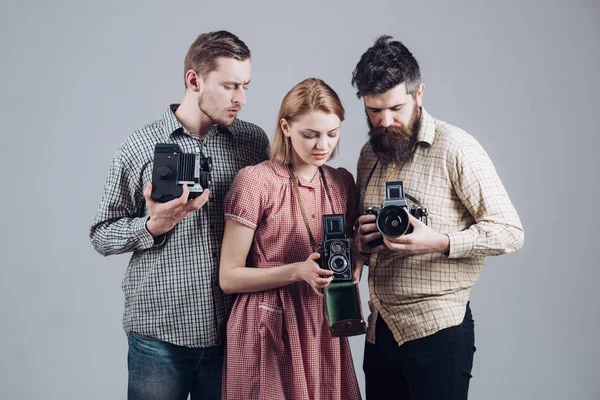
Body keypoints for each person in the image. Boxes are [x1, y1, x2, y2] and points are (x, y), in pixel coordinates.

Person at [89, 31, 269, 400]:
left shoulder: (251, 143)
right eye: (230, 85)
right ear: (193, 80)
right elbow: (101, 234)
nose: (241, 98)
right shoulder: (139, 147)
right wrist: (153, 225)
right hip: (158, 336)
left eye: (245, 86)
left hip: (231, 332)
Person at [352, 36, 524, 399]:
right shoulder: (369, 154)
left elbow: (510, 232)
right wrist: (362, 243)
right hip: (380, 329)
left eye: (396, 108)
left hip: (439, 331)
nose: (385, 121)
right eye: (373, 110)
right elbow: (367, 247)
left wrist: (440, 242)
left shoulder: (455, 147)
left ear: (419, 94)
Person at [219, 78, 362, 400]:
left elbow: (352, 249)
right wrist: (297, 271)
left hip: (324, 321)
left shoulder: (342, 183)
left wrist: (356, 261)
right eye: (309, 135)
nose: (322, 145)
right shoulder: (257, 181)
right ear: (285, 127)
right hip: (267, 324)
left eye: (332, 133)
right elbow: (229, 277)